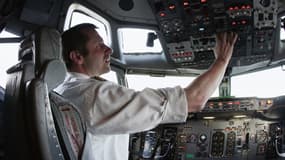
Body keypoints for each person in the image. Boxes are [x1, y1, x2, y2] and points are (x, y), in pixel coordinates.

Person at [55, 23, 237, 160]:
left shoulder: (62, 91)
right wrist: (222, 60)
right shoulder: (94, 97)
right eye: (99, 45)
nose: (109, 49)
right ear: (77, 57)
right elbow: (195, 99)